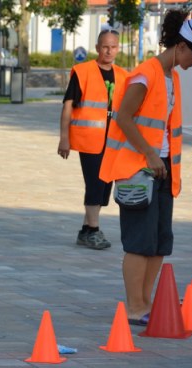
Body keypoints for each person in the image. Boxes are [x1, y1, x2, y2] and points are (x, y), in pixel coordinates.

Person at [99, 11, 192, 325]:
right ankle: (135, 307)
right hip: (138, 169)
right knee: (139, 242)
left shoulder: (172, 77)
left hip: (162, 170)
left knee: (160, 242)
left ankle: (146, 303)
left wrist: (164, 163)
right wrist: (149, 154)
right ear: (182, 46)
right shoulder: (145, 74)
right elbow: (123, 117)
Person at [58, 28, 126, 250]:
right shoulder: (83, 72)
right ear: (97, 48)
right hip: (89, 140)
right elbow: (68, 106)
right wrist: (64, 138)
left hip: (112, 141)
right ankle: (94, 231)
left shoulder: (124, 76)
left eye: (113, 47)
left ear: (118, 48)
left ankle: (86, 230)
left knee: (104, 187)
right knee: (95, 184)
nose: (109, 51)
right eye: (105, 46)